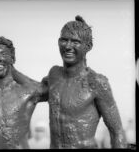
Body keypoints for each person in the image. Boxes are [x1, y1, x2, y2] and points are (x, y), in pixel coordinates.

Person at [40, 15, 127, 148]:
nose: (68, 46)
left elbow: (117, 132)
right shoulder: (54, 75)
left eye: (75, 41)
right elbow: (33, 93)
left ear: (88, 46)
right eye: (64, 40)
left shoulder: (96, 82)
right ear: (58, 41)